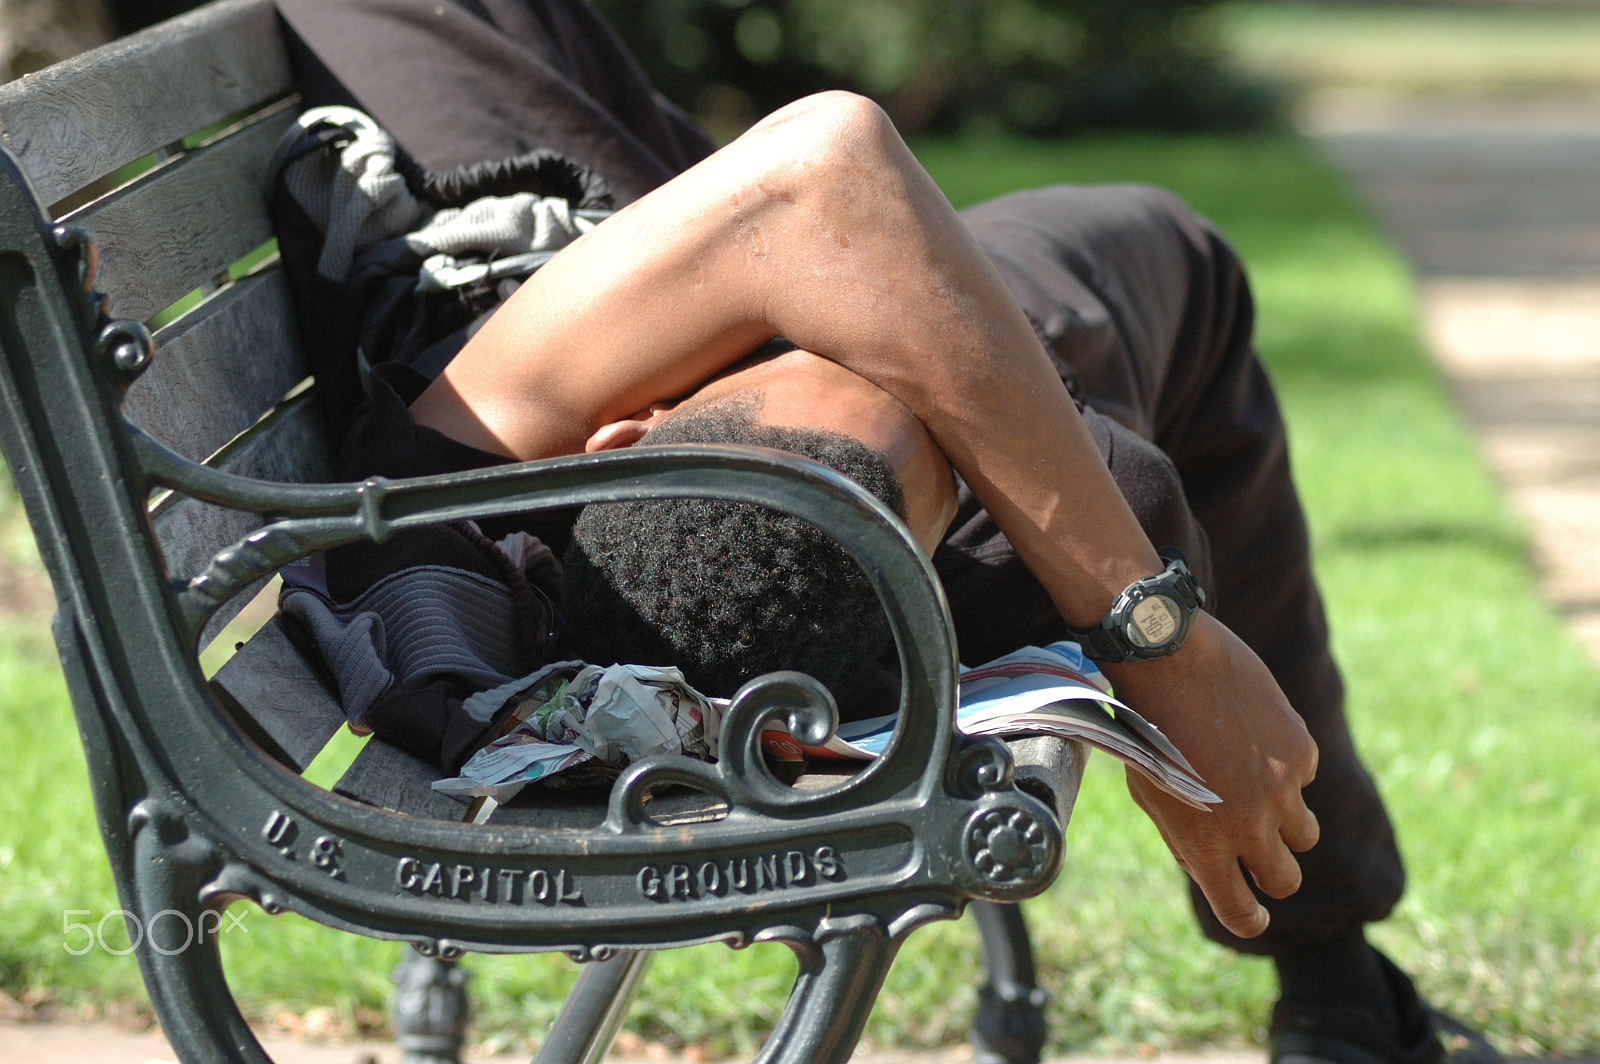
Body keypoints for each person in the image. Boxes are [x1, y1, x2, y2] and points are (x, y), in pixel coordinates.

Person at [272, 3, 1499, 1063]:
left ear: (623, 429)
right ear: (944, 543)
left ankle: (1335, 971)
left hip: (586, 256)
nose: (863, 340)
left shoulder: (459, 468)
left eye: (834, 353)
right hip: (839, 365)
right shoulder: (965, 564)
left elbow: (831, 175)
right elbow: (1098, 468)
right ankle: (1333, 971)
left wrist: (1152, 633)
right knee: (1155, 268)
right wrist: (1160, 641)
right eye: (946, 455)